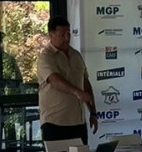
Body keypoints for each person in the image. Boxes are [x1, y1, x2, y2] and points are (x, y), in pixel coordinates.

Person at [36, 16, 97, 145]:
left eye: (68, 34)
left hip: (78, 122)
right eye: (62, 35)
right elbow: (55, 80)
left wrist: (93, 113)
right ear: (51, 35)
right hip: (55, 122)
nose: (66, 38)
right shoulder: (46, 57)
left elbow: (85, 83)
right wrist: (77, 92)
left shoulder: (76, 55)